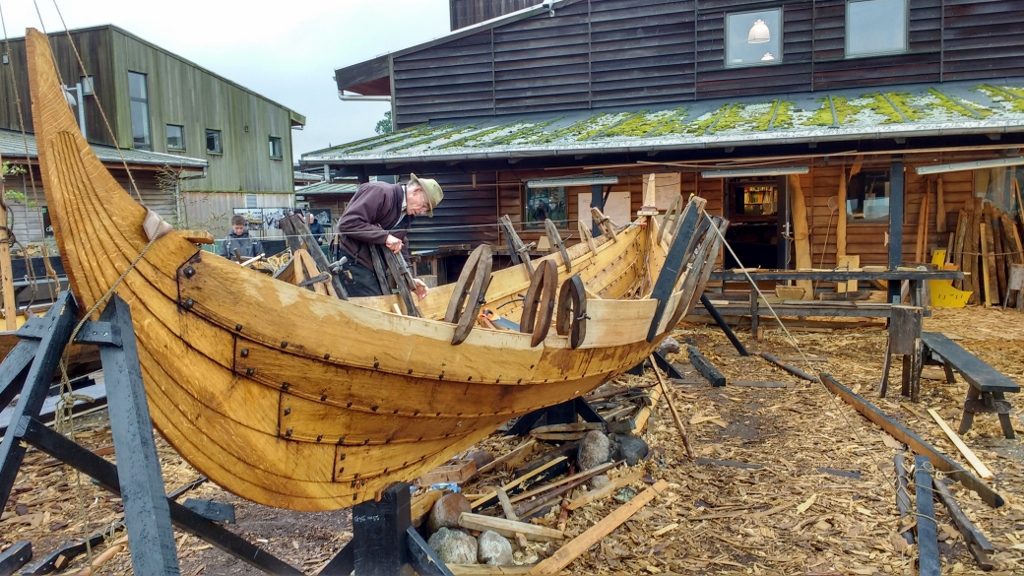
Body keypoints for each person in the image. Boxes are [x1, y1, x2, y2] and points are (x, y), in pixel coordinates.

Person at [334, 173, 443, 298]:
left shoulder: (406, 215)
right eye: (424, 206)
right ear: (416, 191)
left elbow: (400, 246)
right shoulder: (380, 192)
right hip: (352, 259)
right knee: (373, 307)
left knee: (382, 302)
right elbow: (348, 223)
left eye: (426, 210)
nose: (422, 212)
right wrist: (385, 237)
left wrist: (411, 280)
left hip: (374, 267)